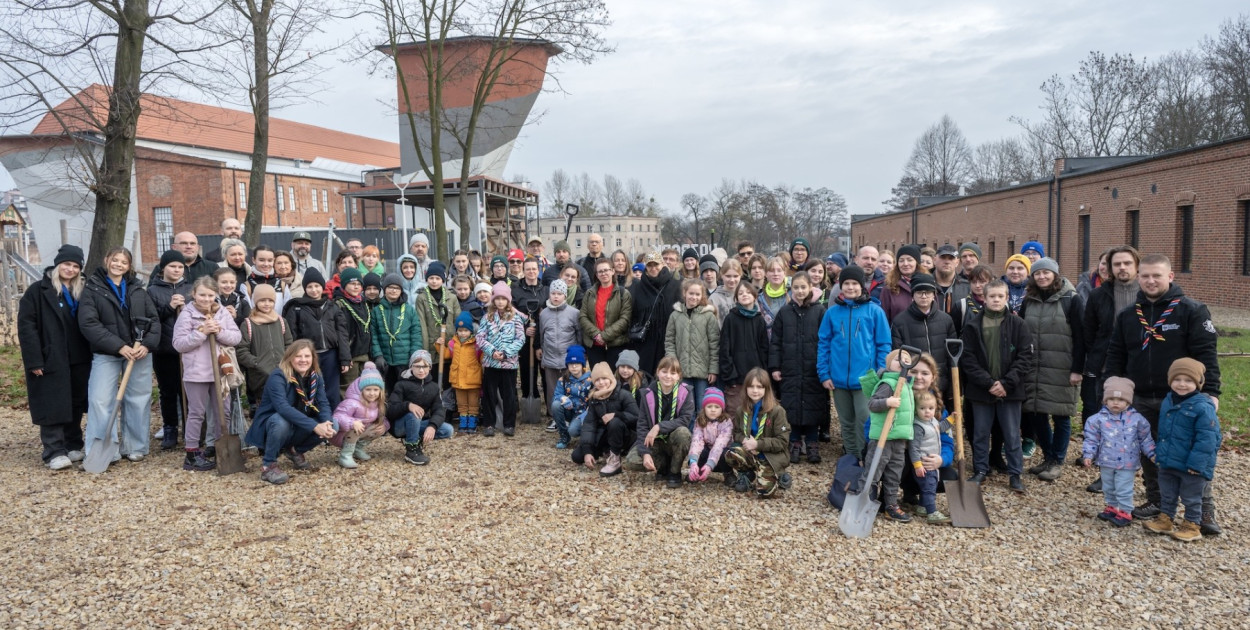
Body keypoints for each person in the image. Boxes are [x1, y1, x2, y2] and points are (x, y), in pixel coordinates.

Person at [1105, 254, 1221, 534]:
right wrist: (1111, 388)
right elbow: (1116, 355)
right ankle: (1157, 501)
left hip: (1183, 400)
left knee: (1193, 453)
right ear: (1138, 278)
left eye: (1156, 275)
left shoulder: (1191, 310)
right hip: (1141, 396)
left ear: (1170, 276)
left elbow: (1206, 355)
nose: (1150, 281)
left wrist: (1212, 392)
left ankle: (1203, 511)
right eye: (1145, 276)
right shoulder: (1129, 315)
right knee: (1151, 452)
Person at [78, 247, 161, 464]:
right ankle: (104, 447)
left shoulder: (137, 289)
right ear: (107, 260)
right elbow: (89, 323)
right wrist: (119, 346)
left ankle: (135, 446)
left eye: (124, 262)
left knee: (138, 399)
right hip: (107, 353)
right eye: (115, 260)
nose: (119, 265)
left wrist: (147, 345)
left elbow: (154, 320)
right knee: (100, 399)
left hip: (139, 352)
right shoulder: (92, 289)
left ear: (129, 266)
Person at [18, 244, 92, 469]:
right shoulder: (38, 291)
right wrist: (34, 360)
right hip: (51, 356)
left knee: (75, 402)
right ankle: (54, 450)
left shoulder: (83, 290)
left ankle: (72, 444)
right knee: (53, 402)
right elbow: (26, 327)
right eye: (67, 264)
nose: (70, 269)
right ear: (58, 264)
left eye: (75, 266)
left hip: (79, 355)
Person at [959, 280, 1036, 494]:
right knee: (980, 433)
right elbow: (968, 359)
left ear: (1007, 298)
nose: (996, 300)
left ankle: (1015, 473)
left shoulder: (1018, 324)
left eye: (1000, 296)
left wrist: (1006, 383)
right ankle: (981, 469)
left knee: (1012, 434)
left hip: (1010, 391)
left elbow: (1025, 356)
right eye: (991, 296)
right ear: (984, 297)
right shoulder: (973, 325)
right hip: (981, 390)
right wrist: (988, 383)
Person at [1018, 257, 1085, 482]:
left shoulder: (1071, 299)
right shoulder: (1030, 300)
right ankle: (1047, 457)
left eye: (1046, 272)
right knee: (1037, 413)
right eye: (1037, 273)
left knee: (1062, 415)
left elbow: (1081, 337)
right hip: (1034, 367)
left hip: (1062, 367)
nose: (1042, 276)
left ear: (1055, 274)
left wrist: (1078, 368)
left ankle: (1057, 460)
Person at [1142, 359, 1221, 542]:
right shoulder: (1169, 400)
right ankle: (1166, 519)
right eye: (1177, 379)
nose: (1182, 384)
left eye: (1188, 380)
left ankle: (1192, 525)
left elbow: (1208, 438)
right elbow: (1164, 432)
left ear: (1198, 383)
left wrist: (1197, 464)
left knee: (1191, 497)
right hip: (1169, 460)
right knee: (1167, 492)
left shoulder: (1203, 407)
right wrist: (1160, 454)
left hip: (1192, 464)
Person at [1081, 245, 1139, 493]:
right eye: (1117, 264)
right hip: (1107, 367)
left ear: (1136, 265)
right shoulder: (1099, 295)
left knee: (1140, 423)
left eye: (1127, 263)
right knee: (1109, 422)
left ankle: (1146, 474)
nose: (1122, 268)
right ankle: (1108, 474)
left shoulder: (1146, 293)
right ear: (1110, 268)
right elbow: (1089, 332)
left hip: (1138, 368)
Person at [818, 265, 891, 459]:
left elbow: (883, 344)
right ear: (841, 287)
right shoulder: (832, 313)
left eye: (854, 283)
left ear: (862, 286)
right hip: (839, 378)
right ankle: (850, 457)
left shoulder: (874, 311)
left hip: (865, 378)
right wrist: (824, 373)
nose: (850, 287)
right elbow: (823, 344)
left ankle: (863, 457)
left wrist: (879, 372)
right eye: (846, 284)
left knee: (863, 419)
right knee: (846, 421)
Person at [172, 275, 242, 471]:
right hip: (197, 372)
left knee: (224, 411)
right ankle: (192, 453)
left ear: (216, 295)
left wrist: (219, 332)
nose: (206, 299)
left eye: (210, 295)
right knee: (197, 412)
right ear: (194, 294)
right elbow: (179, 344)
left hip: (220, 372)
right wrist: (201, 332)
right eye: (202, 295)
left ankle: (221, 448)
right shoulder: (187, 314)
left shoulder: (222, 314)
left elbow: (236, 337)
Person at [245, 340, 335, 484]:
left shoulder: (315, 377)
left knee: (334, 424)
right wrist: (314, 426)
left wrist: (326, 422)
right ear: (290, 357)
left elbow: (323, 402)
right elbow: (283, 408)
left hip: (297, 422)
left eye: (307, 356)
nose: (303, 360)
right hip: (272, 426)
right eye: (298, 356)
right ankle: (268, 466)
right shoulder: (278, 376)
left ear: (313, 358)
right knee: (281, 420)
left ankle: (294, 450)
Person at [769, 271, 827, 464]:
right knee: (791, 405)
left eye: (803, 287)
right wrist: (775, 366)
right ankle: (794, 442)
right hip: (790, 367)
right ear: (791, 289)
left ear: (810, 287)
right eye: (796, 287)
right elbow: (776, 342)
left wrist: (824, 366)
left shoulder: (819, 311)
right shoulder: (785, 312)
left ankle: (811, 442)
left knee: (812, 404)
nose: (800, 291)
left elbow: (826, 340)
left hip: (812, 368)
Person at [853, 348, 917, 521]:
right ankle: (862, 501)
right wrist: (887, 402)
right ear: (889, 365)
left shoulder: (907, 385)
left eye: (906, 359)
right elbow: (873, 404)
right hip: (882, 438)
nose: (902, 362)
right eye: (897, 359)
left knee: (894, 474)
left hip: (899, 439)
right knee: (873, 472)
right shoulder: (887, 384)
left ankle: (890, 505)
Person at [1081, 376, 1154, 528]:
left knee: (1123, 487)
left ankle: (1126, 511)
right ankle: (1112, 507)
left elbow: (1145, 438)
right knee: (1108, 486)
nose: (1116, 402)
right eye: (1112, 398)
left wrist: (1152, 453)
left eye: (1120, 400)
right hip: (1106, 461)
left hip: (1128, 462)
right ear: (1105, 400)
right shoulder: (1096, 420)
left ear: (1128, 402)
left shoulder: (1137, 420)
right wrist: (1088, 454)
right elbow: (1091, 439)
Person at [282, 268, 350, 410]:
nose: (314, 290)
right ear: (305, 288)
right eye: (310, 287)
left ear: (322, 286)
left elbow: (342, 333)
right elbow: (291, 335)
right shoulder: (296, 308)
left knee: (332, 388)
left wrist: (345, 358)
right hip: (308, 356)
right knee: (310, 387)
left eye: (317, 286)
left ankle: (332, 419)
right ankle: (312, 417)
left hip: (330, 354)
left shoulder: (333, 306)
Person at [146, 249, 192, 450]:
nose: (176, 269)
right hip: (164, 349)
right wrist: (169, 307)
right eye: (172, 266)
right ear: (163, 268)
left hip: (189, 349)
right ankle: (170, 427)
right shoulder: (152, 291)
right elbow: (150, 318)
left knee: (189, 390)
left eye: (180, 266)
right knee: (168, 391)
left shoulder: (190, 288)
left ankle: (191, 428)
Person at [627, 356, 695, 487]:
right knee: (632, 461)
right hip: (655, 441)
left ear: (679, 376)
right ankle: (663, 466)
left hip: (673, 439)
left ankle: (674, 472)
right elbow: (642, 425)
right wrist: (645, 453)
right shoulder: (647, 394)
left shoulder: (686, 392)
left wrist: (658, 427)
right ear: (658, 372)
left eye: (673, 373)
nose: (668, 376)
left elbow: (684, 420)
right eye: (664, 371)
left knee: (683, 433)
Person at [724, 367, 791, 497]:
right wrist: (743, 440)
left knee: (764, 492)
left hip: (770, 456)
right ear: (746, 388)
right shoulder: (741, 410)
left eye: (759, 387)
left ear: (766, 389)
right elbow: (736, 432)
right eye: (751, 386)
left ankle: (780, 474)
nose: (755, 391)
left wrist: (757, 444)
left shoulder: (777, 411)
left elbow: (782, 441)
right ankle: (747, 474)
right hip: (750, 452)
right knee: (731, 453)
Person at [890, 273, 957, 393]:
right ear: (913, 295)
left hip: (940, 383)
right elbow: (898, 352)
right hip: (913, 383)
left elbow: (952, 353)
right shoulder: (900, 321)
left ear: (934, 295)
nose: (924, 296)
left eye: (928, 292)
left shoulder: (946, 320)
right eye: (919, 292)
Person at [571, 361, 640, 476]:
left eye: (604, 378)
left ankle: (615, 460)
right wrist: (587, 450)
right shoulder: (594, 398)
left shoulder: (623, 394)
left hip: (625, 434)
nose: (601, 382)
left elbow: (636, 416)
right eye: (597, 380)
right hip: (604, 436)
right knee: (577, 456)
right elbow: (589, 425)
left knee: (614, 422)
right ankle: (606, 450)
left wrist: (616, 414)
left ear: (611, 379)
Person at [477, 283, 526, 437]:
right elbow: (480, 337)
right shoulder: (487, 317)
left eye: (503, 299)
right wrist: (492, 351)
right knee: (489, 394)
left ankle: (509, 424)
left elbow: (520, 339)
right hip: (491, 362)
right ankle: (489, 423)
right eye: (497, 298)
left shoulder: (515, 317)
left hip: (508, 363)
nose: (499, 302)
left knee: (509, 395)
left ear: (508, 300)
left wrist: (505, 353)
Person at [236, 284, 293, 414]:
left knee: (281, 408)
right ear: (255, 302)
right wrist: (257, 363)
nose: (266, 304)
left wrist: (286, 362)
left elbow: (289, 344)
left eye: (270, 300)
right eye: (262, 300)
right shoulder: (248, 324)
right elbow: (241, 350)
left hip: (282, 373)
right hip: (259, 377)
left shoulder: (281, 321)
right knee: (262, 411)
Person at [386, 350, 450, 465]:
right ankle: (412, 450)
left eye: (425, 366)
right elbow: (390, 410)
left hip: (418, 423)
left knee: (447, 430)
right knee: (414, 414)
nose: (421, 370)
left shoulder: (434, 387)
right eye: (417, 366)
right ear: (411, 367)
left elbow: (439, 409)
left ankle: (415, 438)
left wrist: (432, 426)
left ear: (430, 367)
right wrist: (408, 405)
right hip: (400, 426)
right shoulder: (401, 384)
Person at [664, 279, 718, 406]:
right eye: (691, 293)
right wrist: (673, 364)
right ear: (684, 293)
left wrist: (713, 369)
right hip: (681, 369)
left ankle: (702, 427)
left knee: (701, 405)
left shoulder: (708, 316)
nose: (694, 297)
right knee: (685, 405)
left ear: (702, 296)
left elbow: (714, 344)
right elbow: (669, 341)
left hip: (703, 371)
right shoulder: (675, 315)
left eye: (697, 294)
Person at [718, 281, 769, 415]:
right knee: (735, 411)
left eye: (747, 292)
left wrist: (763, 373)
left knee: (756, 412)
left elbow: (764, 349)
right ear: (736, 298)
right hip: (736, 377)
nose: (744, 295)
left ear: (754, 296)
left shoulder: (760, 320)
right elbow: (724, 349)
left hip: (755, 376)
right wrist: (730, 375)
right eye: (740, 293)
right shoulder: (730, 319)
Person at [630, 252, 683, 376]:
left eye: (656, 265)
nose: (653, 268)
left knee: (666, 374)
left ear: (662, 264)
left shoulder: (675, 284)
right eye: (650, 265)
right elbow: (634, 313)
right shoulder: (639, 286)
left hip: (667, 338)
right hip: (646, 341)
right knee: (646, 375)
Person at [370, 272, 423, 393]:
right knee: (389, 391)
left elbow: (416, 335)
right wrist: (378, 355)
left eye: (397, 288)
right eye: (390, 287)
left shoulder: (409, 310)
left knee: (406, 390)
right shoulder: (377, 311)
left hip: (405, 360)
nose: (393, 291)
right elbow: (374, 336)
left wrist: (413, 357)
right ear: (384, 289)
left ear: (401, 290)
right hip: (386, 361)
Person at [330, 362, 389, 469]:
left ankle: (357, 448)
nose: (372, 393)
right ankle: (345, 455)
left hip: (359, 433)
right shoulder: (351, 402)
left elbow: (381, 418)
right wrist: (352, 422)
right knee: (357, 427)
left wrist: (384, 426)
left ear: (380, 391)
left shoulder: (377, 403)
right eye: (368, 389)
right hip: (342, 434)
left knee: (377, 427)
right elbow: (338, 416)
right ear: (361, 390)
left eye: (376, 390)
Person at [909, 390, 952, 525]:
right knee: (929, 487)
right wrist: (917, 465)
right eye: (922, 408)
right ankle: (931, 512)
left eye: (931, 408)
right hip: (924, 464)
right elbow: (913, 448)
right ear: (916, 409)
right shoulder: (918, 426)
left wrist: (952, 419)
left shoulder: (932, 421)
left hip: (932, 463)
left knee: (928, 486)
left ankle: (922, 506)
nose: (927, 411)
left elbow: (940, 427)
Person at [581, 259, 633, 369]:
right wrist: (596, 334)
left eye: (606, 270)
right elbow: (583, 316)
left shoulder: (623, 294)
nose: (603, 273)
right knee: (598, 380)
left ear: (613, 271)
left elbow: (625, 319)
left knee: (614, 379)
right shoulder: (589, 293)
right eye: (600, 271)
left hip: (615, 345)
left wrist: (605, 336)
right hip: (594, 345)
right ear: (596, 274)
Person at [413, 262, 458, 385]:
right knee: (432, 378)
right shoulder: (421, 298)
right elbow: (422, 323)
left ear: (442, 280)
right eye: (431, 278)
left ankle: (449, 401)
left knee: (449, 378)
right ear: (427, 279)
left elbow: (457, 321)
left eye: (437, 278)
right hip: (432, 345)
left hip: (449, 344)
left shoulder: (451, 297)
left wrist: (455, 344)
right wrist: (426, 350)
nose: (434, 281)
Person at [333, 267, 372, 388]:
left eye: (358, 284)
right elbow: (340, 333)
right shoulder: (338, 304)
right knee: (349, 388)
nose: (356, 287)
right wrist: (345, 357)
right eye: (352, 283)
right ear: (344, 285)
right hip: (350, 355)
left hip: (365, 354)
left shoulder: (363, 303)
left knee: (365, 387)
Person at [445, 312, 483, 434]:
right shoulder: (452, 344)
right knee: (461, 403)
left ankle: (472, 422)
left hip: (473, 379)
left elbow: (481, 359)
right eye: (460, 330)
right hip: (458, 379)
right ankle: (463, 421)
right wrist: (438, 345)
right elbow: (446, 355)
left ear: (471, 331)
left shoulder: (476, 344)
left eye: (465, 330)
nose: (462, 333)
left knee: (473, 403)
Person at [686, 387, 733, 484]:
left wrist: (710, 465)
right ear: (704, 408)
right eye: (709, 406)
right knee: (700, 450)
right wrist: (693, 462)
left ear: (722, 409)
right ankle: (697, 470)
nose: (713, 410)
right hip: (707, 452)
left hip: (720, 455)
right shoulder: (700, 421)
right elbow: (696, 441)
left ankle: (728, 473)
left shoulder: (726, 423)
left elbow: (719, 445)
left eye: (717, 407)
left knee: (726, 453)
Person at [549, 345, 591, 449]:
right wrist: (562, 398)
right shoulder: (563, 380)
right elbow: (556, 395)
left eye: (577, 363)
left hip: (583, 413)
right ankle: (564, 435)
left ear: (582, 364)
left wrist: (588, 411)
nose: (574, 367)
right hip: (570, 410)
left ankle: (585, 435)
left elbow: (596, 397)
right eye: (571, 364)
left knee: (573, 431)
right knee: (555, 405)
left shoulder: (591, 379)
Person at [874, 245, 920, 324]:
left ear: (917, 262)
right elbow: (883, 320)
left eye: (909, 260)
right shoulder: (889, 287)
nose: (905, 264)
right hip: (897, 334)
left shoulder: (928, 283)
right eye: (901, 260)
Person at [933, 244, 970, 321]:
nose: (947, 262)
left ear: (957, 262)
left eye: (951, 258)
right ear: (934, 260)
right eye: (943, 257)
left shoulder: (967, 288)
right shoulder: (925, 285)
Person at [708, 259, 740, 323]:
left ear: (740, 275)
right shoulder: (714, 299)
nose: (732, 280)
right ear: (722, 275)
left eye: (735, 276)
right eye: (728, 276)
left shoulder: (746, 296)